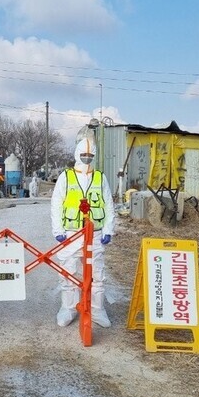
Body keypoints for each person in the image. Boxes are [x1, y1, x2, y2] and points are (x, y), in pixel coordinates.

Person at [50, 136, 115, 328]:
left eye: (90, 154)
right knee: (68, 270)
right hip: (71, 233)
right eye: (84, 154)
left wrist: (109, 229)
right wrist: (58, 230)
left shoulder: (100, 177)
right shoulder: (66, 176)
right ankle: (68, 308)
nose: (87, 157)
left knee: (97, 273)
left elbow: (109, 203)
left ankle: (97, 310)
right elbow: (56, 204)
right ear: (77, 154)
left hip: (94, 232)